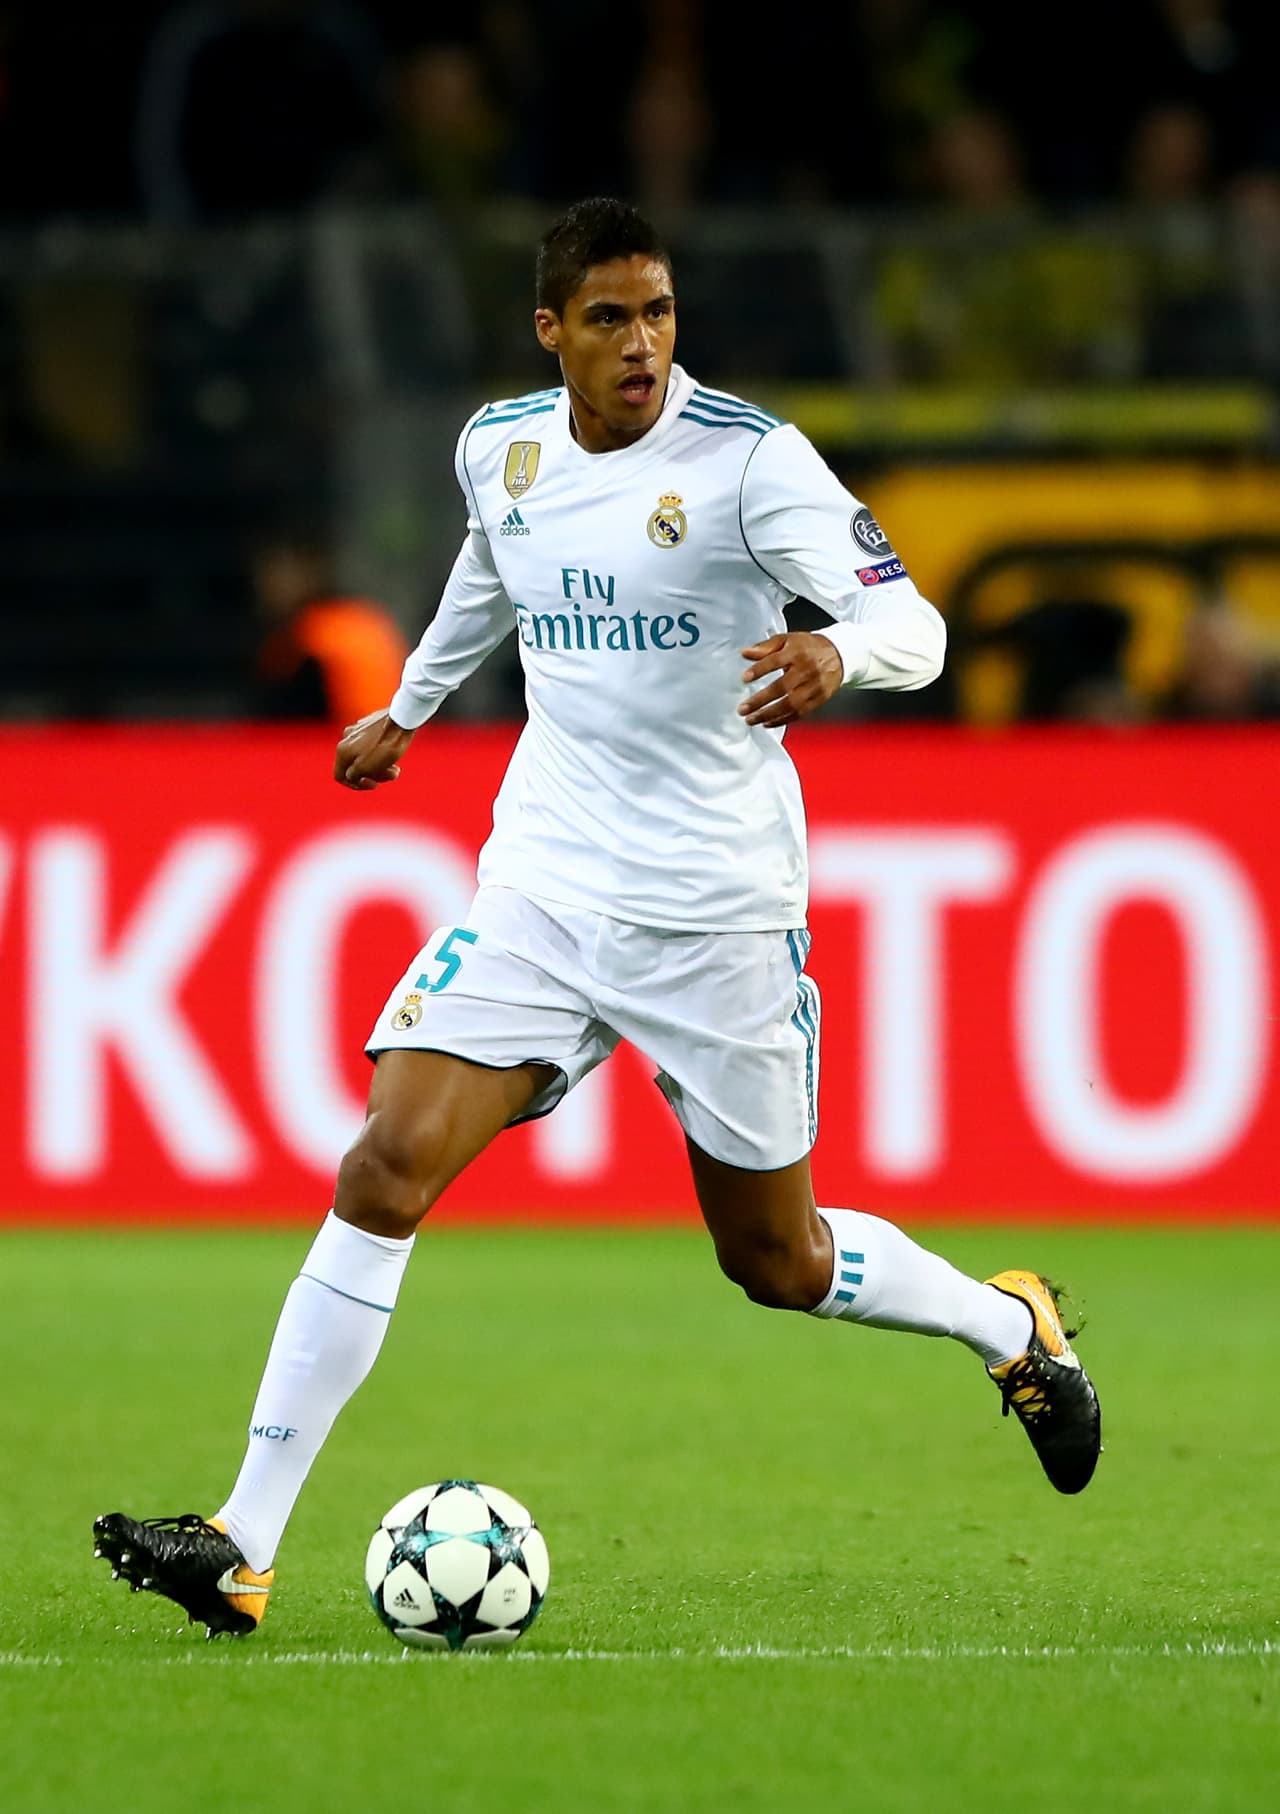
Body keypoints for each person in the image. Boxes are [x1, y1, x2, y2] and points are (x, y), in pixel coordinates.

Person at [93, 198, 1101, 1638]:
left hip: (717, 913)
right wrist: (411, 707)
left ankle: (1011, 1327)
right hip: (549, 882)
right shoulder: (497, 447)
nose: (644, 345)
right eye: (615, 318)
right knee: (383, 1167)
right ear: (552, 329)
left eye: (663, 313)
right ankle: (239, 1542)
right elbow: (493, 570)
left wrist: (834, 646)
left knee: (778, 1261)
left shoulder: (753, 464)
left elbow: (918, 624)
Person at [249, 526, 409, 724]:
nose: (271, 584)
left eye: (281, 571)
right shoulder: (361, 619)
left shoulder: (321, 635)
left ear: (310, 571)